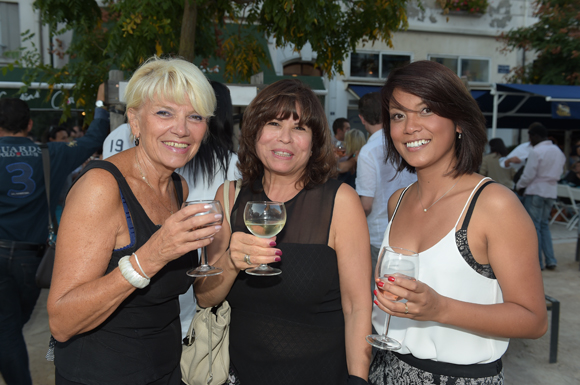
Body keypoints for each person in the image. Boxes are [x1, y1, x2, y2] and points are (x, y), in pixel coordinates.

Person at [369, 60, 547, 385]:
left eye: (425, 110)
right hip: (385, 369)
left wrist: (440, 309)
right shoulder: (399, 200)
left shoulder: (494, 205)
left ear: (459, 121)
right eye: (398, 115)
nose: (409, 127)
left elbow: (533, 320)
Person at [48, 56, 219, 385]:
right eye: (164, 113)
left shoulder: (177, 186)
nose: (181, 129)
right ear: (135, 122)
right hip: (100, 376)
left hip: (166, 370)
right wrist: (149, 258)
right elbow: (61, 320)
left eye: (195, 116)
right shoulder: (101, 187)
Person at [195, 79, 372, 385]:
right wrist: (231, 262)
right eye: (274, 123)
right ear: (254, 132)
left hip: (321, 376)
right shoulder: (228, 197)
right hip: (240, 375)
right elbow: (205, 297)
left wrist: (359, 379)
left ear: (314, 141)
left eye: (300, 128)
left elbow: (357, 307)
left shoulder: (340, 202)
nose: (285, 138)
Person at [0, 94, 109, 385]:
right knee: (9, 328)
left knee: (7, 331)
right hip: (32, 259)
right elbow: (96, 137)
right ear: (30, 124)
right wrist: (99, 104)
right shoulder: (51, 153)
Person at [355, 92, 416, 289]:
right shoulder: (407, 141)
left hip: (380, 232)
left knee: (380, 292)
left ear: (362, 119)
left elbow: (366, 204)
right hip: (413, 229)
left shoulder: (369, 151)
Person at [516, 123, 566, 271]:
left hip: (535, 190)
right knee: (544, 226)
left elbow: (529, 174)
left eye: (530, 137)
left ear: (536, 136)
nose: (530, 140)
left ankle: (538, 263)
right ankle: (551, 260)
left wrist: (519, 186)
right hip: (551, 191)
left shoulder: (537, 151)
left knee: (534, 227)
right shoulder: (558, 151)